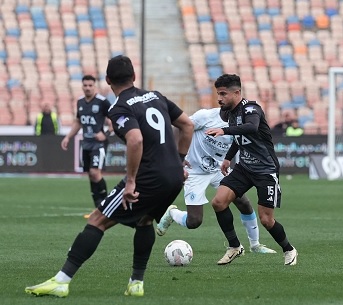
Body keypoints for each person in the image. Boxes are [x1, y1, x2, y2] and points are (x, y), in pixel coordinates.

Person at [25, 55, 194, 297]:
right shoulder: (156, 96)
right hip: (174, 177)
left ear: (107, 80)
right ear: (134, 76)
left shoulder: (120, 107)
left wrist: (131, 181)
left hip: (149, 177)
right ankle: (136, 283)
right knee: (145, 220)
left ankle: (62, 281)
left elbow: (135, 139)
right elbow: (187, 125)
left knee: (97, 220)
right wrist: (178, 161)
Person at [205, 74, 297, 265]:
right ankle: (234, 246)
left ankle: (289, 249)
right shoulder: (230, 112)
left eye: (223, 94)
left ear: (237, 92)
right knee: (218, 202)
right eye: (218, 94)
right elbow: (241, 139)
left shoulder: (251, 108)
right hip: (244, 168)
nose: (219, 98)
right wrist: (228, 158)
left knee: (266, 220)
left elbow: (252, 128)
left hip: (265, 170)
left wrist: (225, 130)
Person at [156, 107, 276, 254]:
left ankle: (255, 244)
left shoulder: (239, 122)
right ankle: (173, 213)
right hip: (195, 171)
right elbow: (180, 127)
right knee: (194, 221)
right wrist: (176, 156)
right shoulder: (205, 116)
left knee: (243, 202)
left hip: (218, 169)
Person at [60, 75, 113, 216]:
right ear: (82, 86)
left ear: (94, 86)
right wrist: (68, 136)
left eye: (90, 85)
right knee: (90, 174)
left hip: (99, 143)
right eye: (85, 85)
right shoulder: (80, 102)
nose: (88, 88)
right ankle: (98, 207)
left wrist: (106, 134)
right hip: (86, 143)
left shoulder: (102, 102)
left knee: (95, 172)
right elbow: (78, 121)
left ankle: (106, 205)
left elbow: (114, 119)